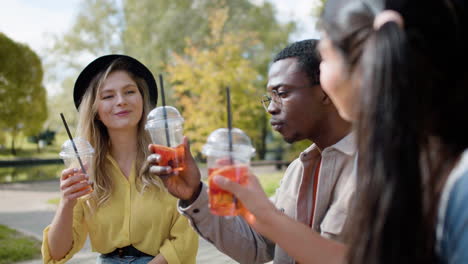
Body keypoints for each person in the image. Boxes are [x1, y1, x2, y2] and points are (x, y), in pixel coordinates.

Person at [214, 0, 468, 263]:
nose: (271, 109)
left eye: (326, 57)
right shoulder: (403, 160)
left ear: (371, 58)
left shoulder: (456, 185)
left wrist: (268, 217)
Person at [147, 39, 356, 263]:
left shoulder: (377, 169)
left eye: (282, 93)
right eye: (269, 98)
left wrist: (267, 214)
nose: (272, 108)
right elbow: (258, 247)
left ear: (326, 89)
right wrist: (194, 194)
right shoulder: (297, 170)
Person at [41, 55, 198, 264]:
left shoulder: (168, 159)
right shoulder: (84, 167)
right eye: (107, 96)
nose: (121, 101)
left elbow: (186, 238)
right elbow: (57, 254)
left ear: (142, 99)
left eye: (129, 92)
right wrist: (66, 203)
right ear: (95, 111)